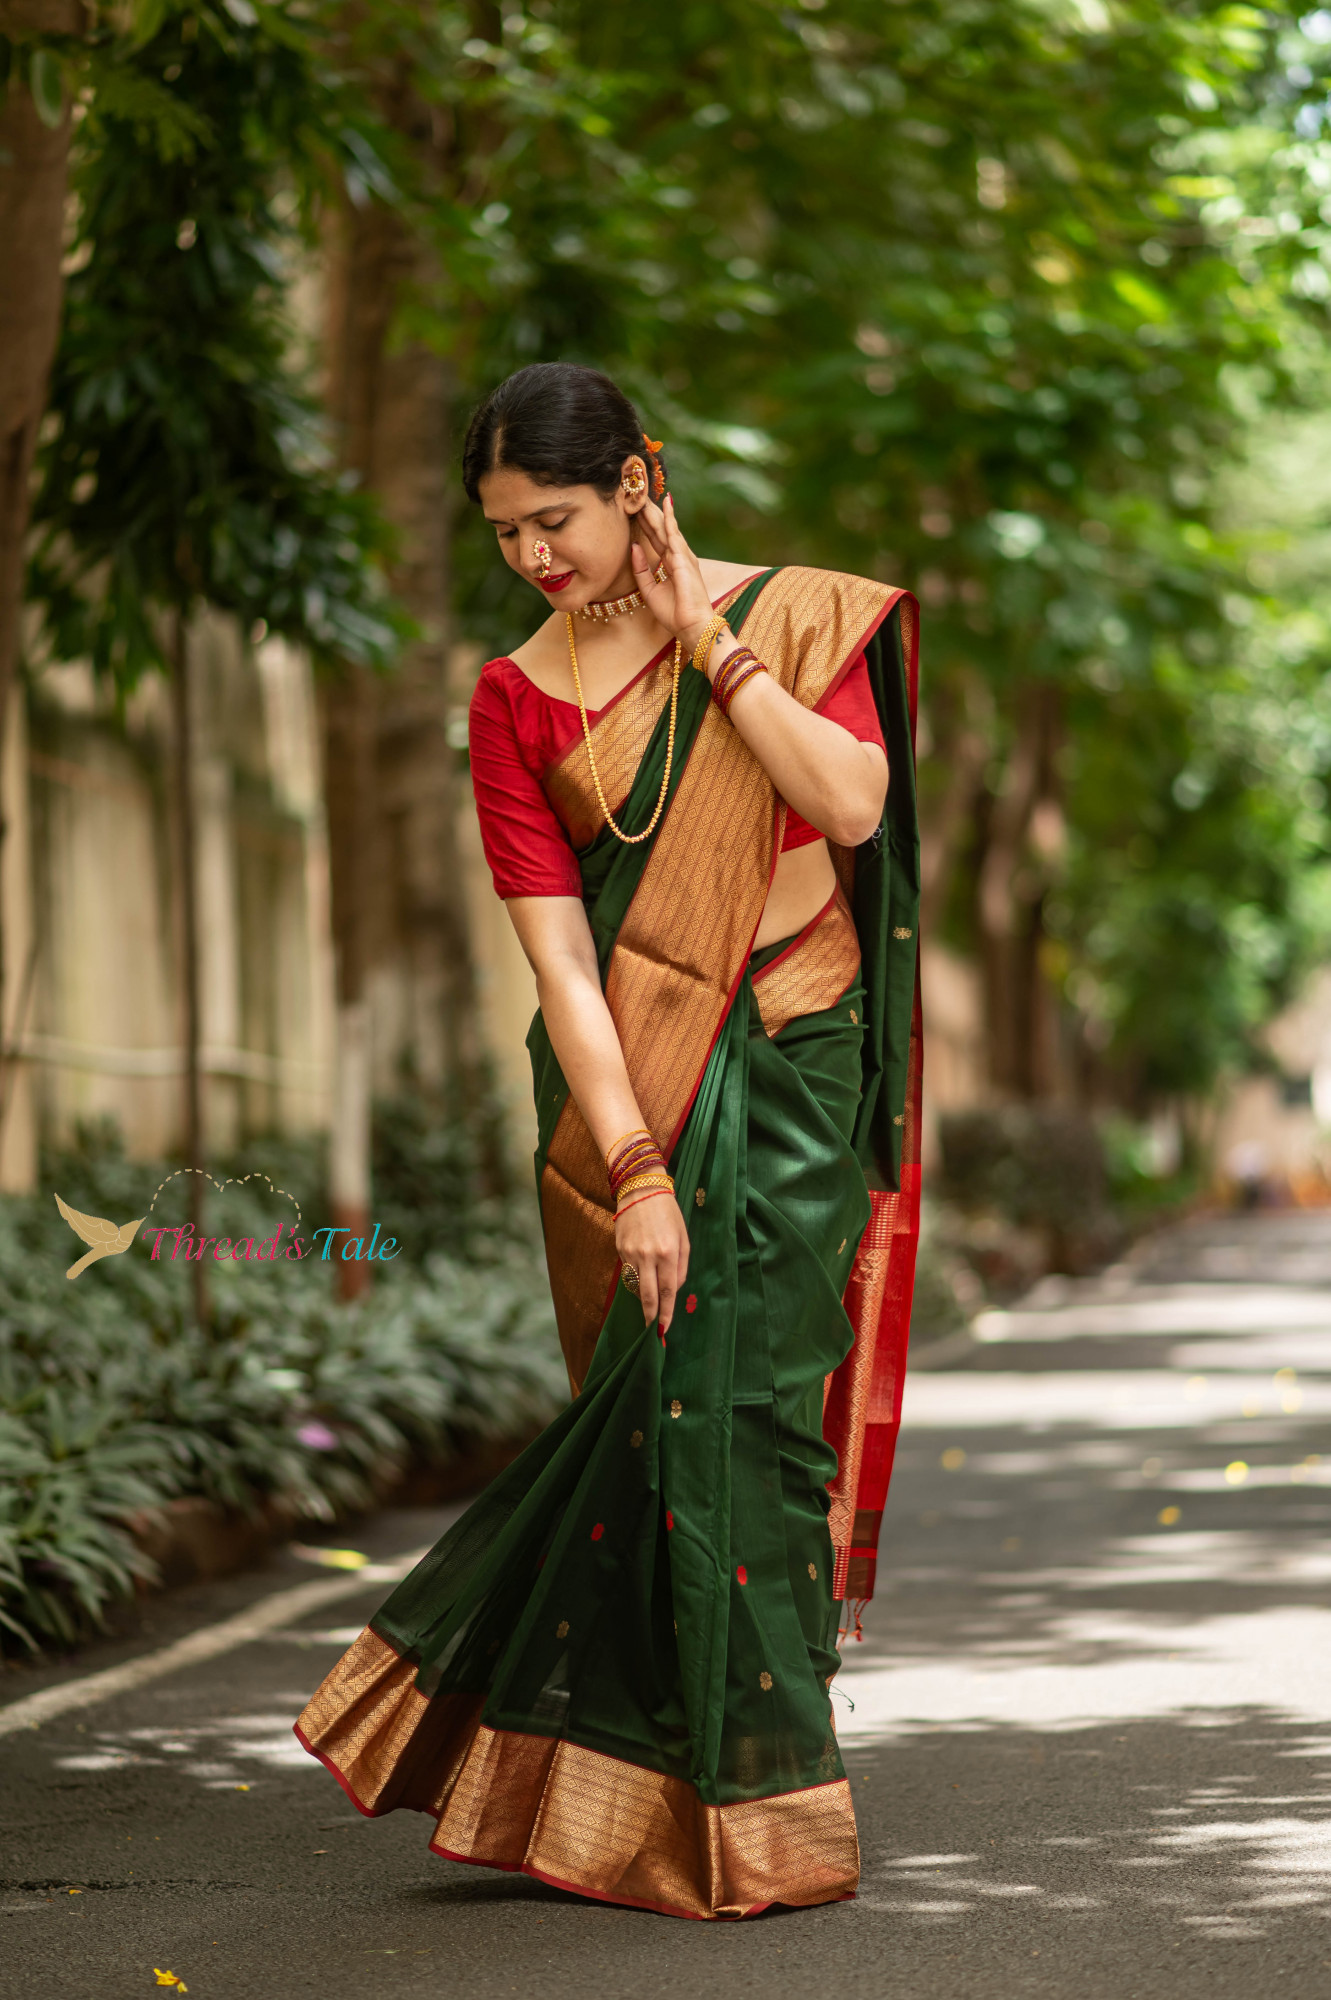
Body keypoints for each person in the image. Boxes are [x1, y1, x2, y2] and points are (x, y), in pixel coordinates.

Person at [295, 362, 922, 1921]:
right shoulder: (513, 698)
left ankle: (738, 1790)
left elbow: (849, 805)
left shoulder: (788, 619)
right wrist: (636, 1167)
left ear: (640, 481)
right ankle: (666, 1785)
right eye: (503, 531)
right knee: (663, 1408)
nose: (532, 556)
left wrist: (709, 642)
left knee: (755, 1410)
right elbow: (563, 962)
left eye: (554, 519)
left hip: (795, 1047)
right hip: (628, 1086)